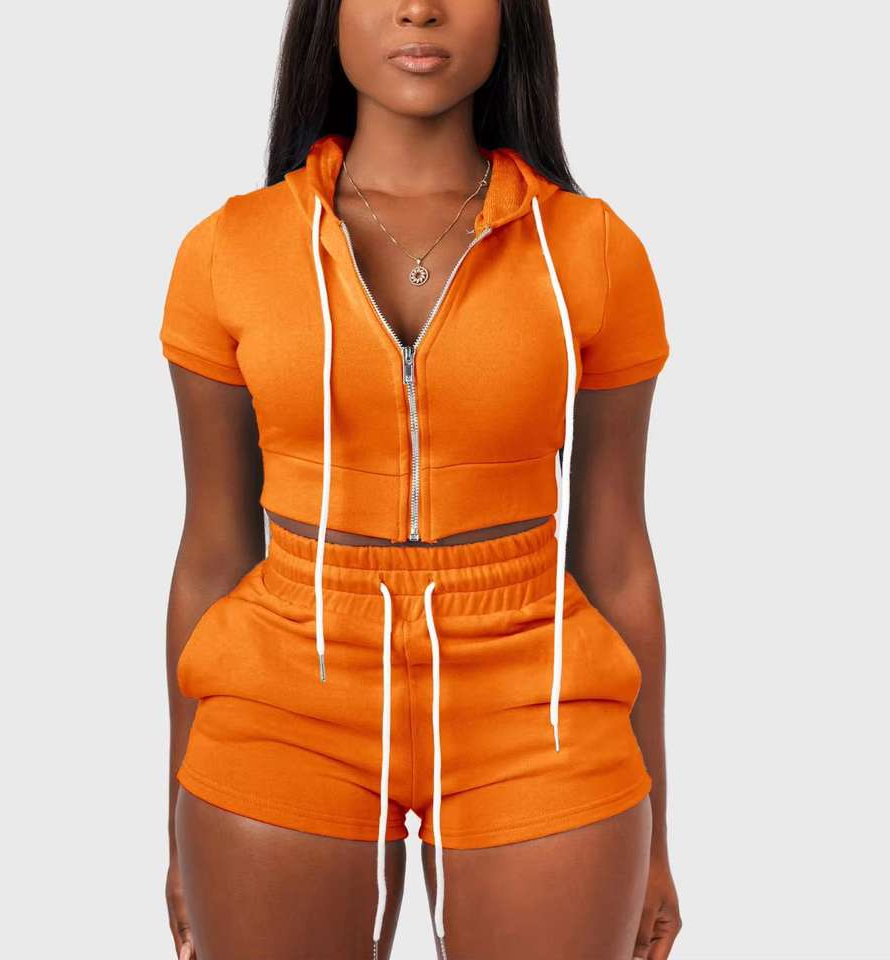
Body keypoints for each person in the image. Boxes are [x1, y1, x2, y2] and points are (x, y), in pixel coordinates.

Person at [160, 2, 681, 958]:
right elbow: (211, 548)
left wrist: (661, 835)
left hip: (538, 696)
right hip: (284, 693)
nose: (419, 7)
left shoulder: (593, 250)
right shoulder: (229, 250)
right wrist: (173, 823)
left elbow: (616, 553)